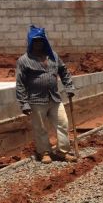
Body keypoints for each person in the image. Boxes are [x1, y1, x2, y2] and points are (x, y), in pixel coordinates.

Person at [15, 25, 77, 164]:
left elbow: (64, 71)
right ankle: (44, 152)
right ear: (31, 42)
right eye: (35, 41)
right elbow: (20, 83)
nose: (38, 43)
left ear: (45, 41)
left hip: (54, 98)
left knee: (63, 124)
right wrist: (24, 103)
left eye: (40, 41)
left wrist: (69, 86)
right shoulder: (24, 60)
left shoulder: (53, 56)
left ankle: (63, 152)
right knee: (41, 128)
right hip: (36, 101)